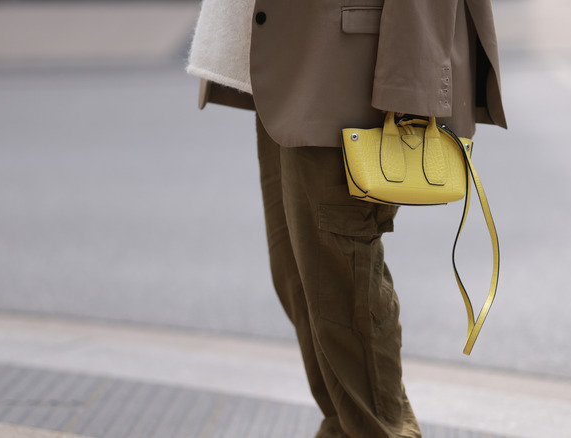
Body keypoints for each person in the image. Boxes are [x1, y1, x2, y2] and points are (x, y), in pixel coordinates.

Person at [186, 0, 507, 436]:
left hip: (348, 62)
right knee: (300, 280)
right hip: (286, 56)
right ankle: (344, 428)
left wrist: (413, 82)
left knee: (342, 289)